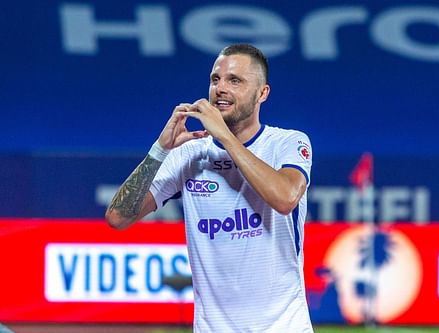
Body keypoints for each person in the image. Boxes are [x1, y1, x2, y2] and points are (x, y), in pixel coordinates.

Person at [106, 43, 314, 332]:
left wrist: (226, 138)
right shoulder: (189, 152)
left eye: (235, 80)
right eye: (215, 79)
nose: (221, 88)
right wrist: (160, 149)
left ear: (262, 93)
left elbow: (285, 197)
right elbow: (118, 217)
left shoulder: (287, 143)